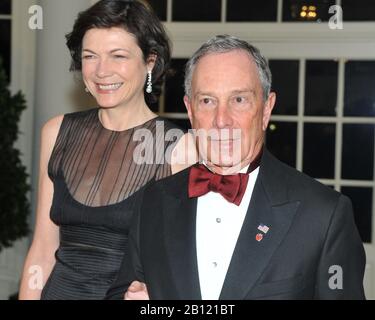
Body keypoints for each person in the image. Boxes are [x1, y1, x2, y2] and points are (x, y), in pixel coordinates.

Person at [106, 35, 366, 300]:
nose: (222, 120)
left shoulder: (323, 215)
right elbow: (120, 292)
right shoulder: (154, 201)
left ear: (266, 110)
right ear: (190, 110)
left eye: (239, 100)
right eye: (207, 101)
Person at [19, 0, 191, 300]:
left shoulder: (180, 149)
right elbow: (43, 249)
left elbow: (188, 261)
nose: (101, 71)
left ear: (150, 62)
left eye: (118, 56)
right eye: (90, 56)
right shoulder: (57, 132)